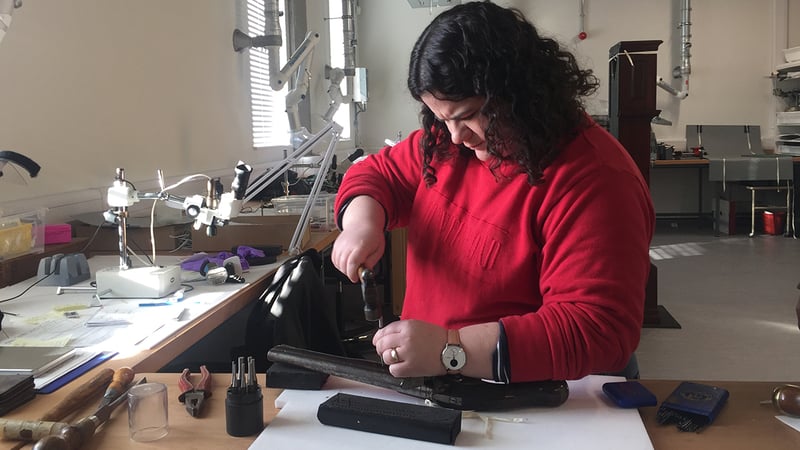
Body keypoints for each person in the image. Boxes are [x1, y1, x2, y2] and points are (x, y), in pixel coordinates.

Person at [331, 1, 654, 383]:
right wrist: (361, 224)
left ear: (520, 94)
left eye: (467, 116)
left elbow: (595, 329)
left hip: (539, 398)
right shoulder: (449, 145)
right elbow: (376, 173)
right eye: (440, 118)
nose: (455, 135)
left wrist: (450, 348)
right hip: (442, 378)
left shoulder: (597, 179)